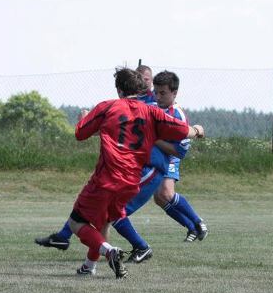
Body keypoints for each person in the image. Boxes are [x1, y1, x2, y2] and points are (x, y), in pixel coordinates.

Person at [67, 68, 204, 278]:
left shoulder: (108, 106)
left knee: (76, 222)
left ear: (119, 90)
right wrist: (197, 130)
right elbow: (183, 131)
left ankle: (109, 250)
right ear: (140, 88)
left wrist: (83, 119)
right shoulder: (152, 111)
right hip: (131, 182)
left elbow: (80, 134)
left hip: (107, 178)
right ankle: (89, 266)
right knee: (104, 220)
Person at [151, 71, 208, 242]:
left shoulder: (178, 116)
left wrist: (154, 140)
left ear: (174, 93)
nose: (158, 96)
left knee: (166, 193)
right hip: (155, 158)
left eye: (163, 93)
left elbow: (179, 152)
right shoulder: (152, 107)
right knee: (159, 199)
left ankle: (199, 223)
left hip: (170, 157)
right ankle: (191, 228)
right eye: (156, 92)